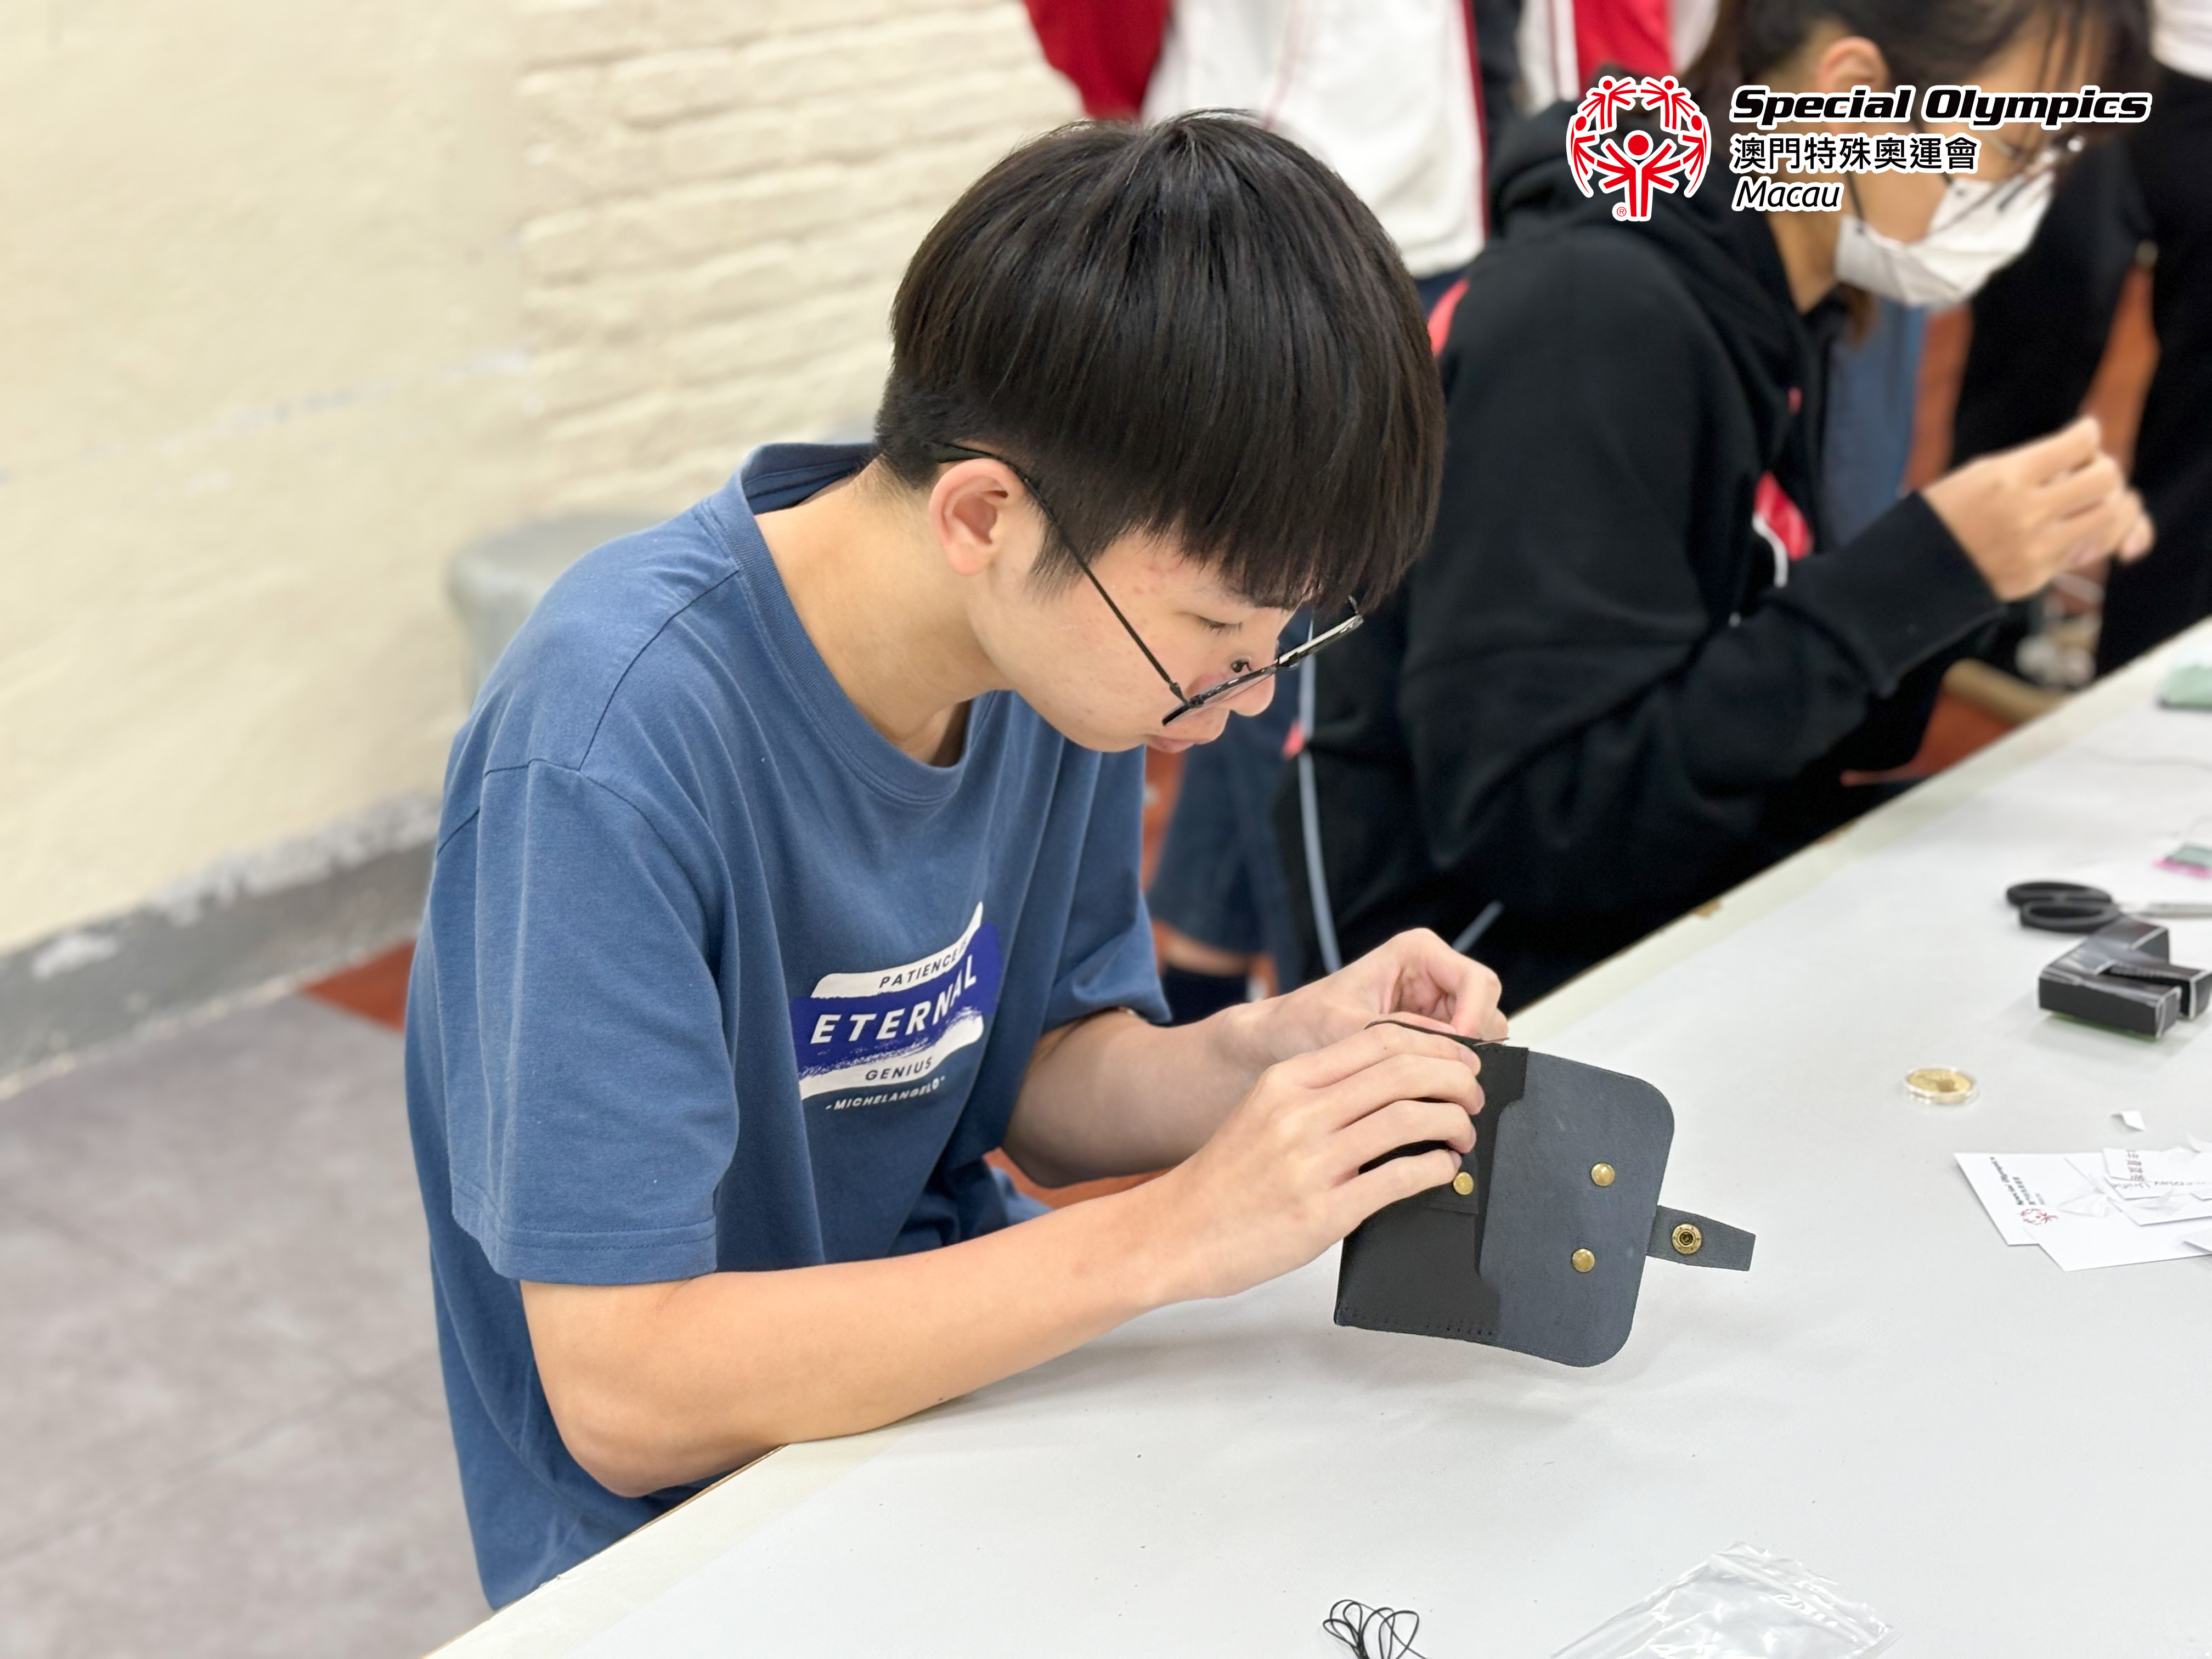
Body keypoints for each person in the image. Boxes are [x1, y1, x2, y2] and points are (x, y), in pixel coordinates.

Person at [405, 115, 1508, 1608]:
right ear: (984, 516)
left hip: (960, 1413)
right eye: (1216, 633)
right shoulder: (608, 744)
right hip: (686, 1546)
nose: (1248, 699)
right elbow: (627, 1392)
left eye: (1286, 637)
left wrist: (1279, 1055)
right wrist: (1176, 1234)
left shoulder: (1057, 654)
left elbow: (1036, 1078)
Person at [1284, 0, 2154, 1011]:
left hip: (1640, 893)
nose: (2020, 197)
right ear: (1852, 97)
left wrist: (1970, 571)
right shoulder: (1594, 322)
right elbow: (1545, 822)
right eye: (2009, 149)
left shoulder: (1771, 291)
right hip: (1467, 988)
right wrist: (1919, 573)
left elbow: (1778, 715)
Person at [1952, 0, 2212, 675]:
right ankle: (1967, 639)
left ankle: (2138, 680)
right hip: (2080, 49)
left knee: (2200, 436)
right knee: (2025, 368)